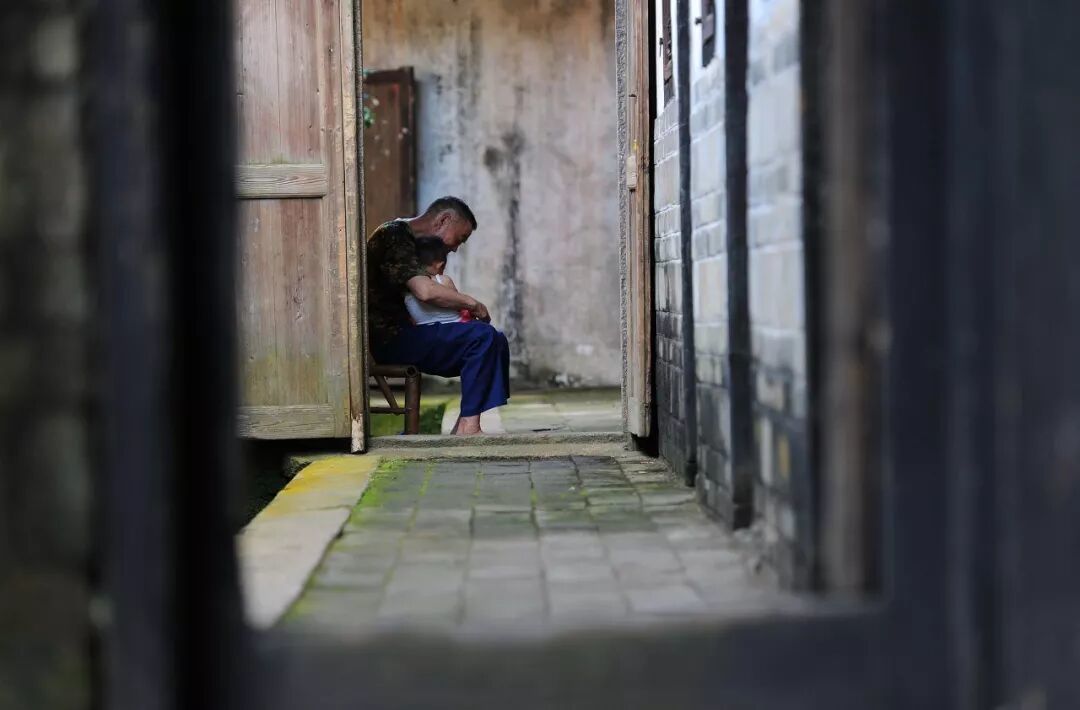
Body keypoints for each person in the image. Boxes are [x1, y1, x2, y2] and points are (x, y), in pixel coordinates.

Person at [367, 197, 510, 435]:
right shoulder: (394, 236)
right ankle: (468, 427)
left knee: (497, 340)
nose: (455, 248)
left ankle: (465, 423)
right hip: (392, 338)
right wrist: (473, 304)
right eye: (460, 239)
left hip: (413, 333)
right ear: (443, 220)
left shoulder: (410, 241)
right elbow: (425, 292)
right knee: (482, 338)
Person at [404, 236, 472, 326]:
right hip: (453, 327)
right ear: (440, 265)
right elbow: (458, 304)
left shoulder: (408, 286)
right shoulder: (444, 280)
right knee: (484, 329)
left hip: (423, 330)